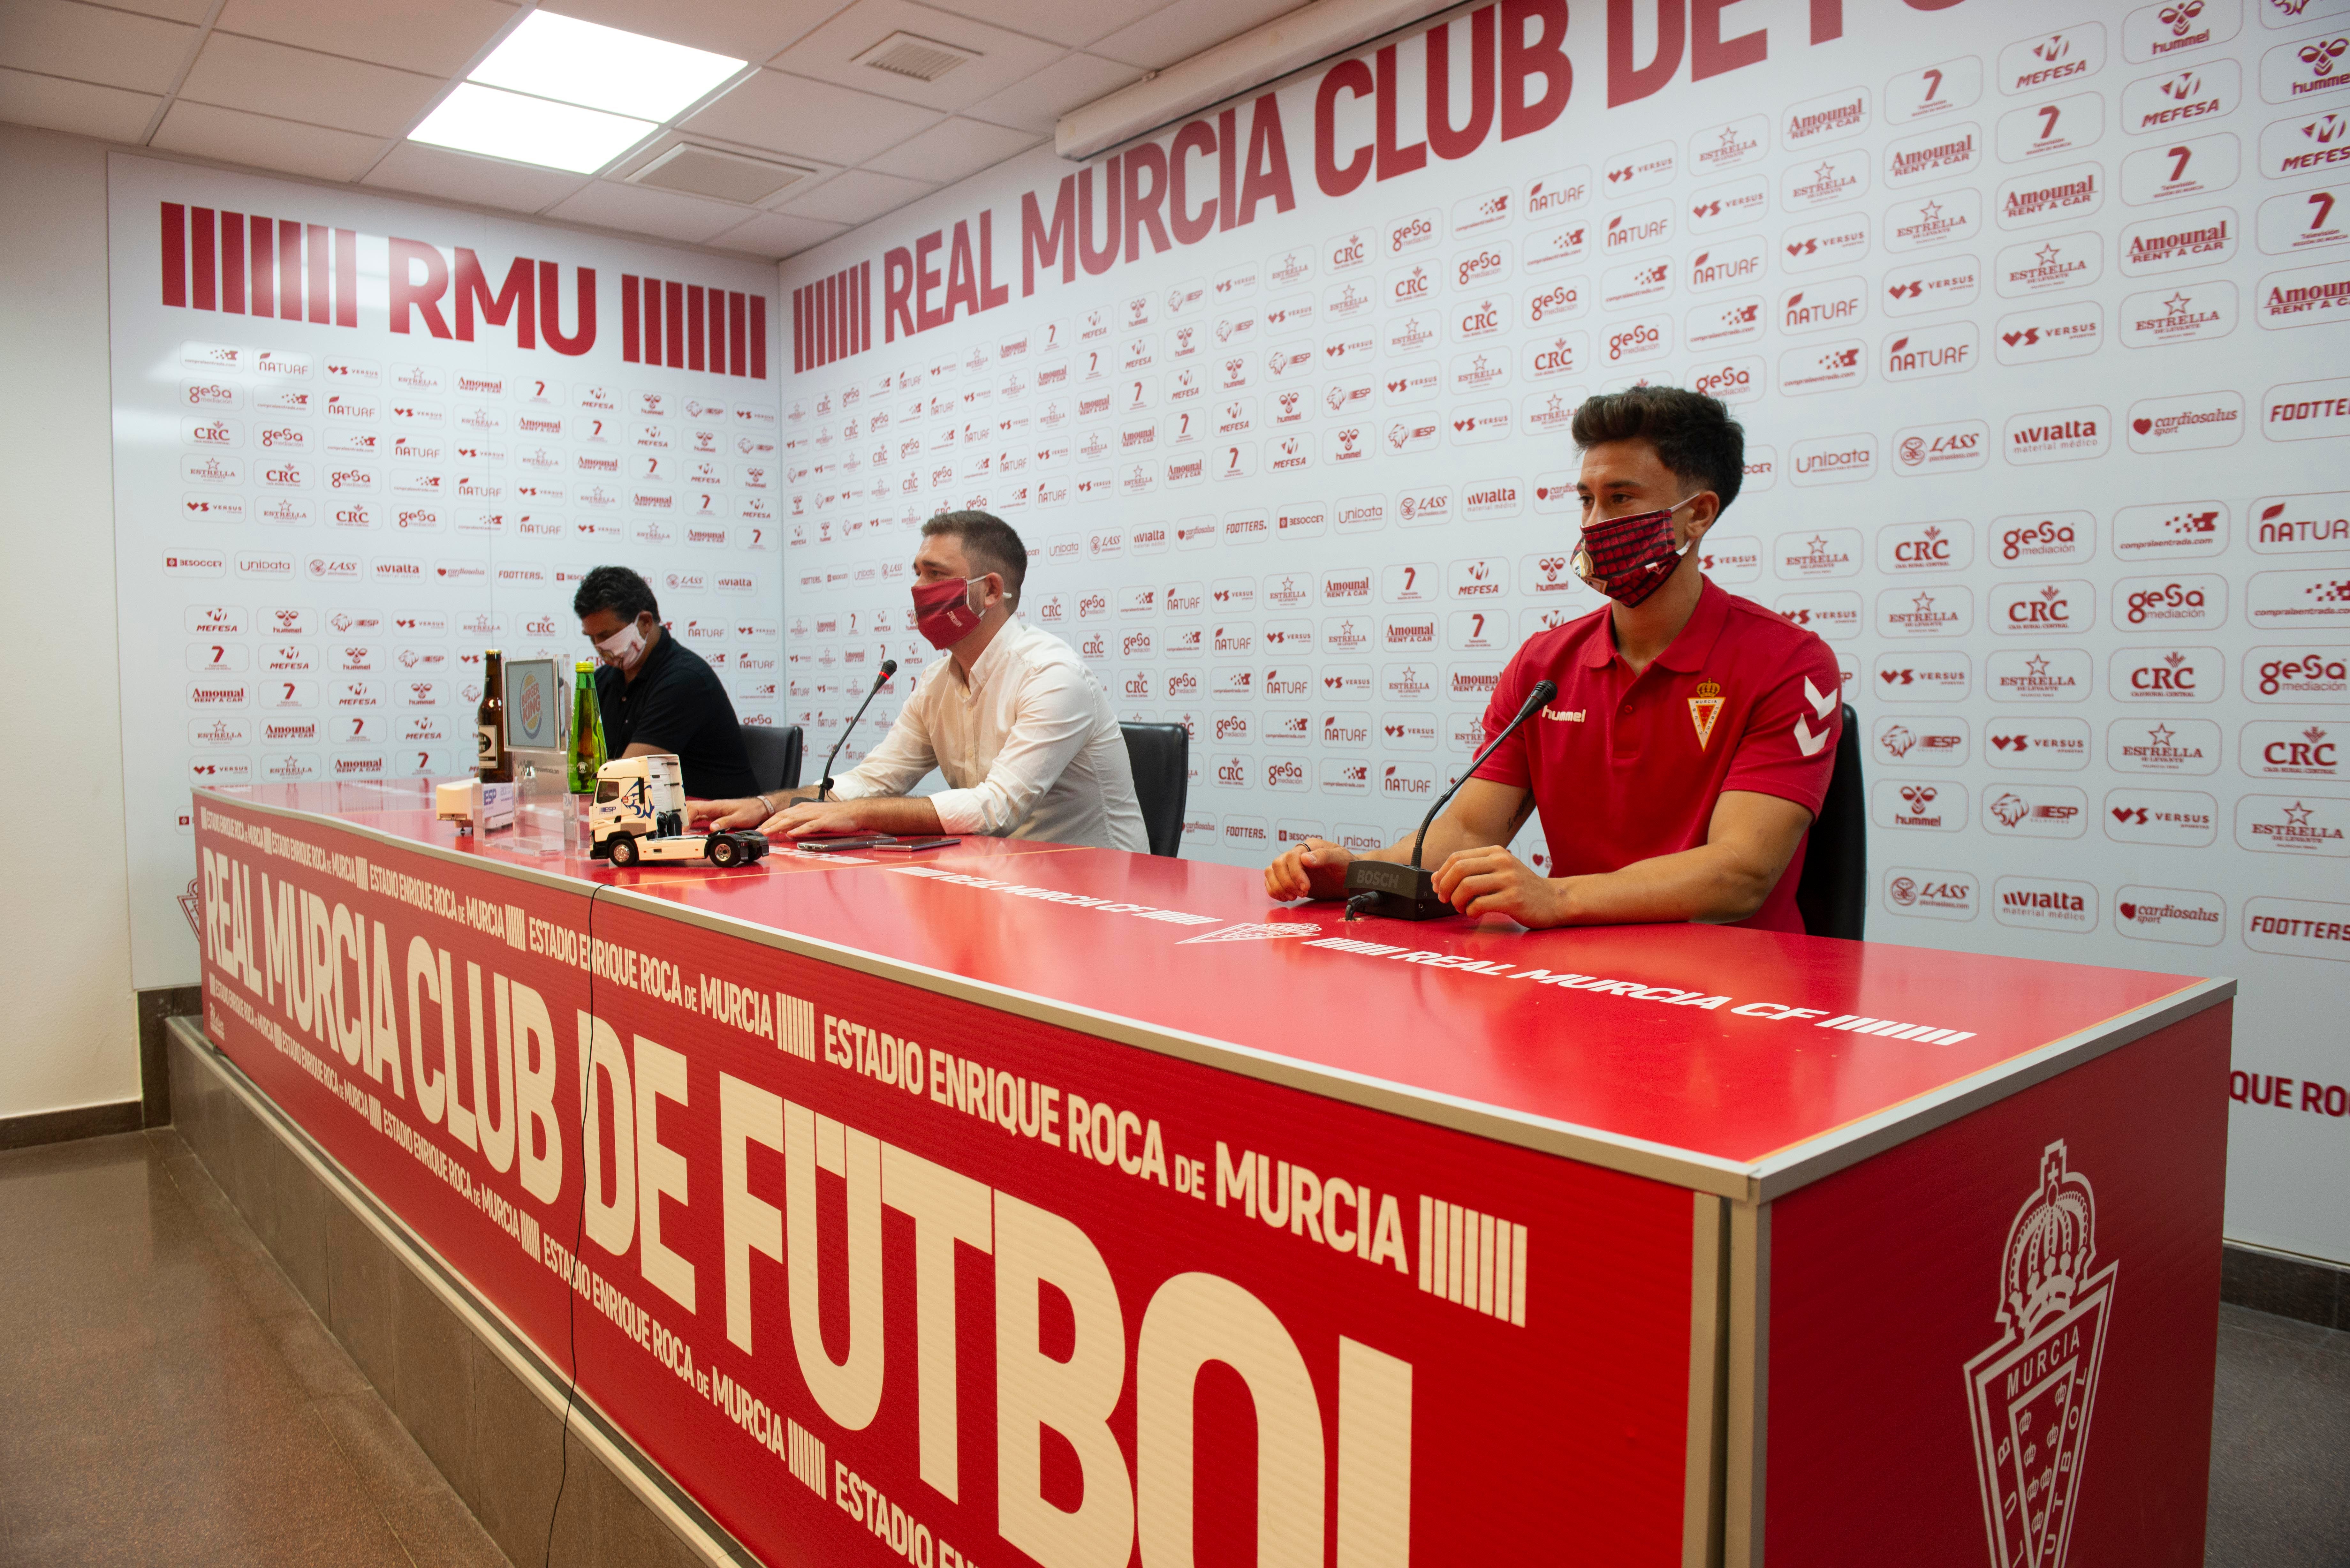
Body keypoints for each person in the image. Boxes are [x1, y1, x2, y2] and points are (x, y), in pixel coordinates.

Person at [1264, 386, 1842, 931]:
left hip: (1738, 997)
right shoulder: (1544, 665)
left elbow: (1742, 872)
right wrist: (1356, 873)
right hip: (1574, 973)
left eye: (1621, 498)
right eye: (1586, 500)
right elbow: (1467, 829)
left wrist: (1556, 896)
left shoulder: (1791, 662)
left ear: (1698, 514)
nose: (1593, 525)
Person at [693, 511, 1148, 851]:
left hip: (1096, 889)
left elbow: (996, 809)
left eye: (936, 575)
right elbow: (873, 780)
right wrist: (770, 806)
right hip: (999, 876)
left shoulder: (1052, 676)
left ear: (990, 590)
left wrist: (855, 815)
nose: (918, 589)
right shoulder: (936, 684)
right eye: (918, 573)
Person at [573, 565, 759, 799]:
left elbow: (627, 778)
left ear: (645, 622)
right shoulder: (603, 680)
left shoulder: (685, 679)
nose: (600, 647)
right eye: (592, 639)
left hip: (717, 824)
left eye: (607, 635)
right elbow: (580, 763)